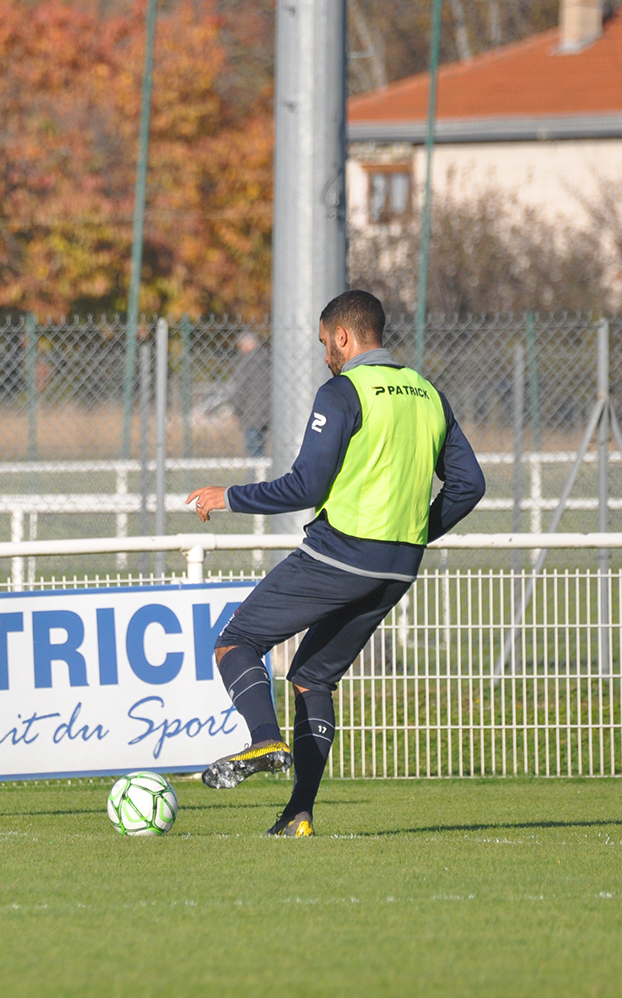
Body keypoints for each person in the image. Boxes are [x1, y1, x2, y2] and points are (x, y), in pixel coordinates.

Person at [185, 290, 484, 837]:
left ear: (343, 336)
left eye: (326, 343)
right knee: (311, 676)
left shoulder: (343, 392)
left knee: (236, 641)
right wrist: (414, 532)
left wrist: (228, 496)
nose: (326, 356)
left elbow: (306, 486)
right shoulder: (428, 394)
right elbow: (469, 485)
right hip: (398, 567)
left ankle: (264, 739)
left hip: (340, 553)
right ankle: (297, 815)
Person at [230, 332, 271, 458]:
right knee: (262, 449)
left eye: (241, 347)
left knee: (254, 452)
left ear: (247, 345)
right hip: (269, 413)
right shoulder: (268, 359)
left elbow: (240, 389)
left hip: (252, 414)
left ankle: (255, 471)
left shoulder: (246, 362)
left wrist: (236, 412)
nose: (241, 350)